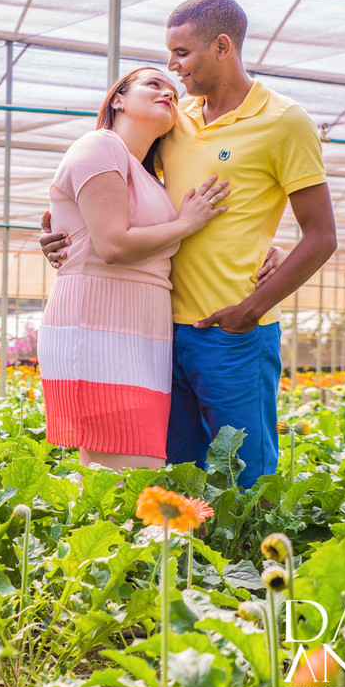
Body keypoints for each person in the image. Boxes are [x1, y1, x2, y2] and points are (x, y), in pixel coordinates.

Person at [41, 0, 336, 488]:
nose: (173, 67)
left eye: (181, 53)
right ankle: (183, 567)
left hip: (233, 330)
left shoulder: (286, 121)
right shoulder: (173, 122)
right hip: (157, 333)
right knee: (174, 476)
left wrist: (249, 309)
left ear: (222, 46)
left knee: (246, 474)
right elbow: (115, 193)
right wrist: (56, 232)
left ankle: (253, 566)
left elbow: (322, 235)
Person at [39, 67, 230, 471]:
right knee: (129, 474)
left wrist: (272, 250)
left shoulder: (149, 177)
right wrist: (186, 223)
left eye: (175, 94)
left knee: (113, 478)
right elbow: (112, 245)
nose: (168, 94)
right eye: (153, 84)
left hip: (139, 330)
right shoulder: (100, 145)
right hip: (98, 324)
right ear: (118, 99)